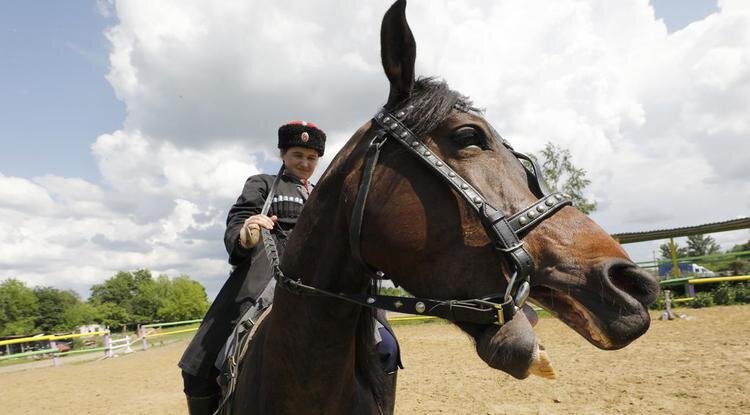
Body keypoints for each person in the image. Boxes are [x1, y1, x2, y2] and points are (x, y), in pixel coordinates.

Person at [178, 120, 326, 414]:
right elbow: (238, 223)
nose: (305, 163)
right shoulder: (262, 184)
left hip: (323, 278)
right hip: (267, 272)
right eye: (298, 154)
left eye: (311, 158)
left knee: (384, 345)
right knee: (197, 368)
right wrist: (247, 233)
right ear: (282, 153)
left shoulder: (325, 193)